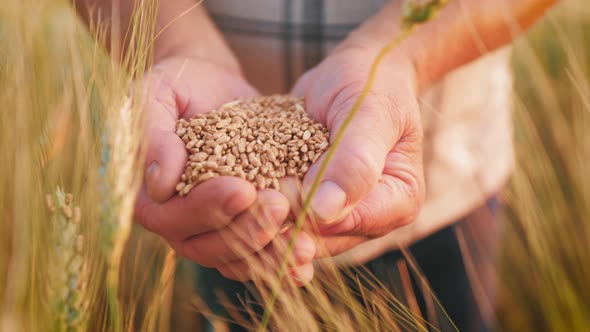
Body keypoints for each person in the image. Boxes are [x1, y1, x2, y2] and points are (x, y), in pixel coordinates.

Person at [76, 0, 558, 330]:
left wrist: (402, 54)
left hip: (449, 176)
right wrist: (177, 46)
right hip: (226, 215)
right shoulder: (225, 170)